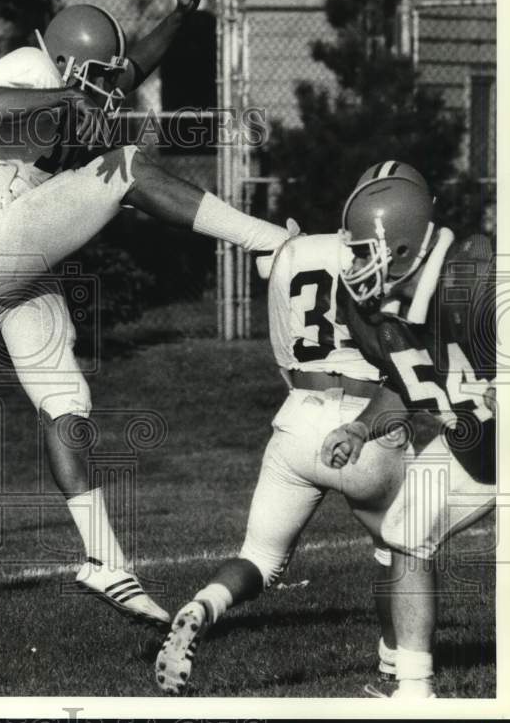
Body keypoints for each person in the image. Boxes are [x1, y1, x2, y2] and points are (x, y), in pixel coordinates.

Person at [0, 0, 292, 626]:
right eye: (96, 78)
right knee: (124, 166)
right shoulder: (29, 64)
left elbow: (137, 64)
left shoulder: (78, 81)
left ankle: (106, 563)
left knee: (68, 407)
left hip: (9, 272)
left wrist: (181, 14)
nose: (111, 90)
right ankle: (274, 244)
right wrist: (64, 96)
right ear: (68, 65)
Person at [154, 231, 409, 694]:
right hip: (365, 417)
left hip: (298, 414)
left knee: (260, 558)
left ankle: (203, 605)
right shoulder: (386, 251)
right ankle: (395, 665)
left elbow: (281, 353)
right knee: (401, 548)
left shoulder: (293, 249)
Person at [319, 161, 496, 698]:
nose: (354, 266)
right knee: (406, 531)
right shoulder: (380, 307)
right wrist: (359, 428)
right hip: (481, 443)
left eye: (361, 252)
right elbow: (409, 385)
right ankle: (415, 692)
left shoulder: (478, 280)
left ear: (400, 247)